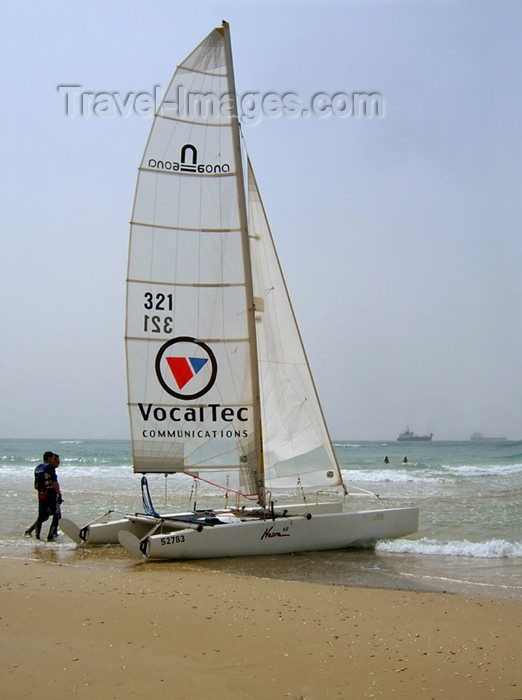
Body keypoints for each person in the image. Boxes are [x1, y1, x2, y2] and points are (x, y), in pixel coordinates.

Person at [25, 451, 63, 540]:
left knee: (42, 516)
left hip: (41, 495)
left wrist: (42, 491)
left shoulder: (38, 468)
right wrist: (59, 494)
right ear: (49, 458)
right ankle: (50, 536)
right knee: (57, 515)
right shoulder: (50, 467)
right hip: (50, 494)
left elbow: (35, 486)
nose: (54, 461)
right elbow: (54, 482)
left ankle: (37, 537)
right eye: (53, 459)